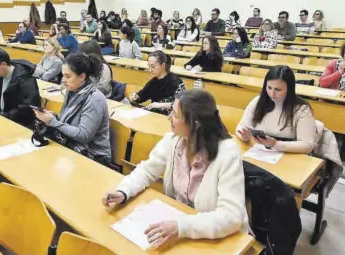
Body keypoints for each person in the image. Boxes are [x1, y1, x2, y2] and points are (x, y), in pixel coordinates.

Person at [103, 89, 248, 248]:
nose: (169, 117)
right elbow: (146, 171)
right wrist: (123, 192)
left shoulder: (227, 153)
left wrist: (182, 226)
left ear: (196, 124)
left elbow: (231, 216)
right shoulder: (173, 140)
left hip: (216, 238)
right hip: (180, 226)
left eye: (176, 115)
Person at [33, 53, 112, 165]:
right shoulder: (72, 91)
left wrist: (53, 122)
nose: (63, 80)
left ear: (82, 77)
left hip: (94, 156)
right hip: (73, 146)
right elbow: (67, 121)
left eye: (68, 76)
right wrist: (54, 117)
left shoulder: (94, 99)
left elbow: (84, 136)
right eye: (63, 75)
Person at [237, 65, 316, 153]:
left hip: (289, 154)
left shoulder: (302, 109)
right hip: (259, 151)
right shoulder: (258, 101)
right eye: (269, 87)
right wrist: (244, 136)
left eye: (278, 89)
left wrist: (276, 144)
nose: (272, 94)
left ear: (289, 89)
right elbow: (241, 127)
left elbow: (308, 145)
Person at [0, 48, 41, 127]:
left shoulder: (25, 78)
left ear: (4, 64)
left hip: (19, 123)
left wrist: (5, 116)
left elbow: (28, 107)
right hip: (3, 118)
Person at [129, 51, 185, 115]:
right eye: (149, 66)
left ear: (163, 65)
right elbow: (142, 96)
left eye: (153, 66)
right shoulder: (153, 82)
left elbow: (181, 105)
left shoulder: (175, 81)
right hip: (155, 115)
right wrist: (135, 97)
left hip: (169, 117)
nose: (150, 70)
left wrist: (161, 105)